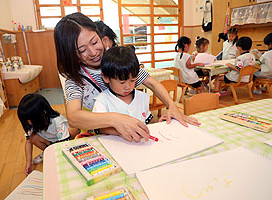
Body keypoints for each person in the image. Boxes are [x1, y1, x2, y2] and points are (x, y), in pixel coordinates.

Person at [54, 12, 200, 142]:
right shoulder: (75, 78)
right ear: (70, 54)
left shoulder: (116, 61)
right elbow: (73, 117)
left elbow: (153, 83)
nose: (93, 52)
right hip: (102, 138)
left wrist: (172, 106)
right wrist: (115, 119)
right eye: (82, 50)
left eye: (94, 42)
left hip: (131, 135)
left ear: (101, 37)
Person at [92, 46, 153, 133]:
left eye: (132, 80)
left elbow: (148, 122)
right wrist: (121, 132)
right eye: (122, 82)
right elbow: (100, 128)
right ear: (106, 77)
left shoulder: (142, 97)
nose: (128, 86)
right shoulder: (102, 101)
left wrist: (161, 123)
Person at [18, 94, 72, 175]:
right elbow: (28, 142)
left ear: (43, 113)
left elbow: (65, 144)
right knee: (32, 138)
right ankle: (48, 152)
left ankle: (50, 153)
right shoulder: (31, 124)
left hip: (63, 142)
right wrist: (28, 163)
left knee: (73, 130)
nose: (28, 123)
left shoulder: (57, 122)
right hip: (50, 144)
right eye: (26, 120)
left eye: (30, 119)